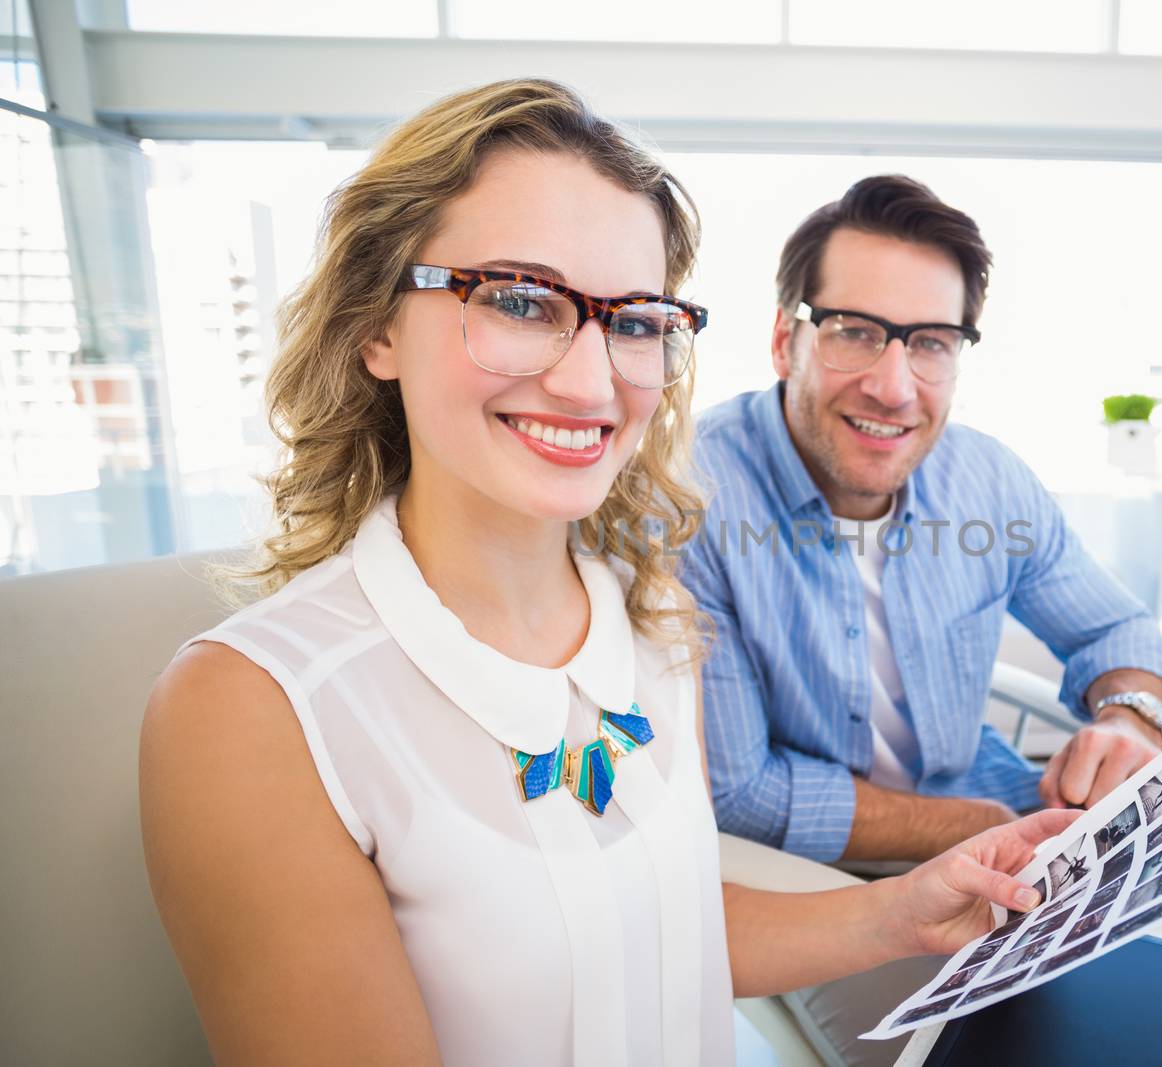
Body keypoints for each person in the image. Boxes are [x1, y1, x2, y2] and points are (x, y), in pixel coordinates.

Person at [138, 80, 1077, 1066]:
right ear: (377, 324)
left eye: (633, 320)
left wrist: (897, 912)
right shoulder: (252, 711)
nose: (590, 381)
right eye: (515, 300)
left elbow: (658, 918)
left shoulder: (651, 610)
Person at [682, 175, 1162, 864]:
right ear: (783, 340)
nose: (893, 389)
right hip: (811, 876)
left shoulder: (990, 482)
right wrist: (980, 823)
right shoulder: (691, 498)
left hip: (1007, 834)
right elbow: (742, 794)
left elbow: (1119, 630)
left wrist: (1132, 717)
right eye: (854, 333)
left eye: (930, 343)